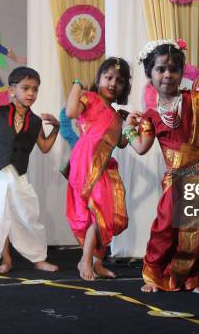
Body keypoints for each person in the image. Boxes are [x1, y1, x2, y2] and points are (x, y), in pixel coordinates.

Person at [125, 39, 199, 293]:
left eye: (173, 69)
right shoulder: (150, 116)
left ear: (182, 73)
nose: (168, 75)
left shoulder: (195, 99)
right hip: (175, 179)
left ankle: (191, 277)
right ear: (150, 74)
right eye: (161, 69)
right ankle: (154, 275)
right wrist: (128, 128)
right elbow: (141, 147)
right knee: (165, 228)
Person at [0, 67, 59, 274]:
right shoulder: (0, 113)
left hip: (18, 173)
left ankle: (38, 258)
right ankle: (6, 260)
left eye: (35, 89)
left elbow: (45, 147)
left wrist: (56, 128)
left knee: (27, 215)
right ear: (13, 90)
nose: (31, 93)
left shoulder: (36, 121)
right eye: (26, 88)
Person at [65, 57, 131, 281]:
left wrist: (130, 125)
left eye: (119, 81)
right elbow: (71, 112)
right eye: (108, 77)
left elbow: (121, 143)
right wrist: (76, 83)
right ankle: (85, 260)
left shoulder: (116, 115)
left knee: (108, 214)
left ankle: (97, 262)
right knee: (98, 210)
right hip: (87, 160)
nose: (113, 83)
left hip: (106, 165)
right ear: (98, 79)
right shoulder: (90, 98)